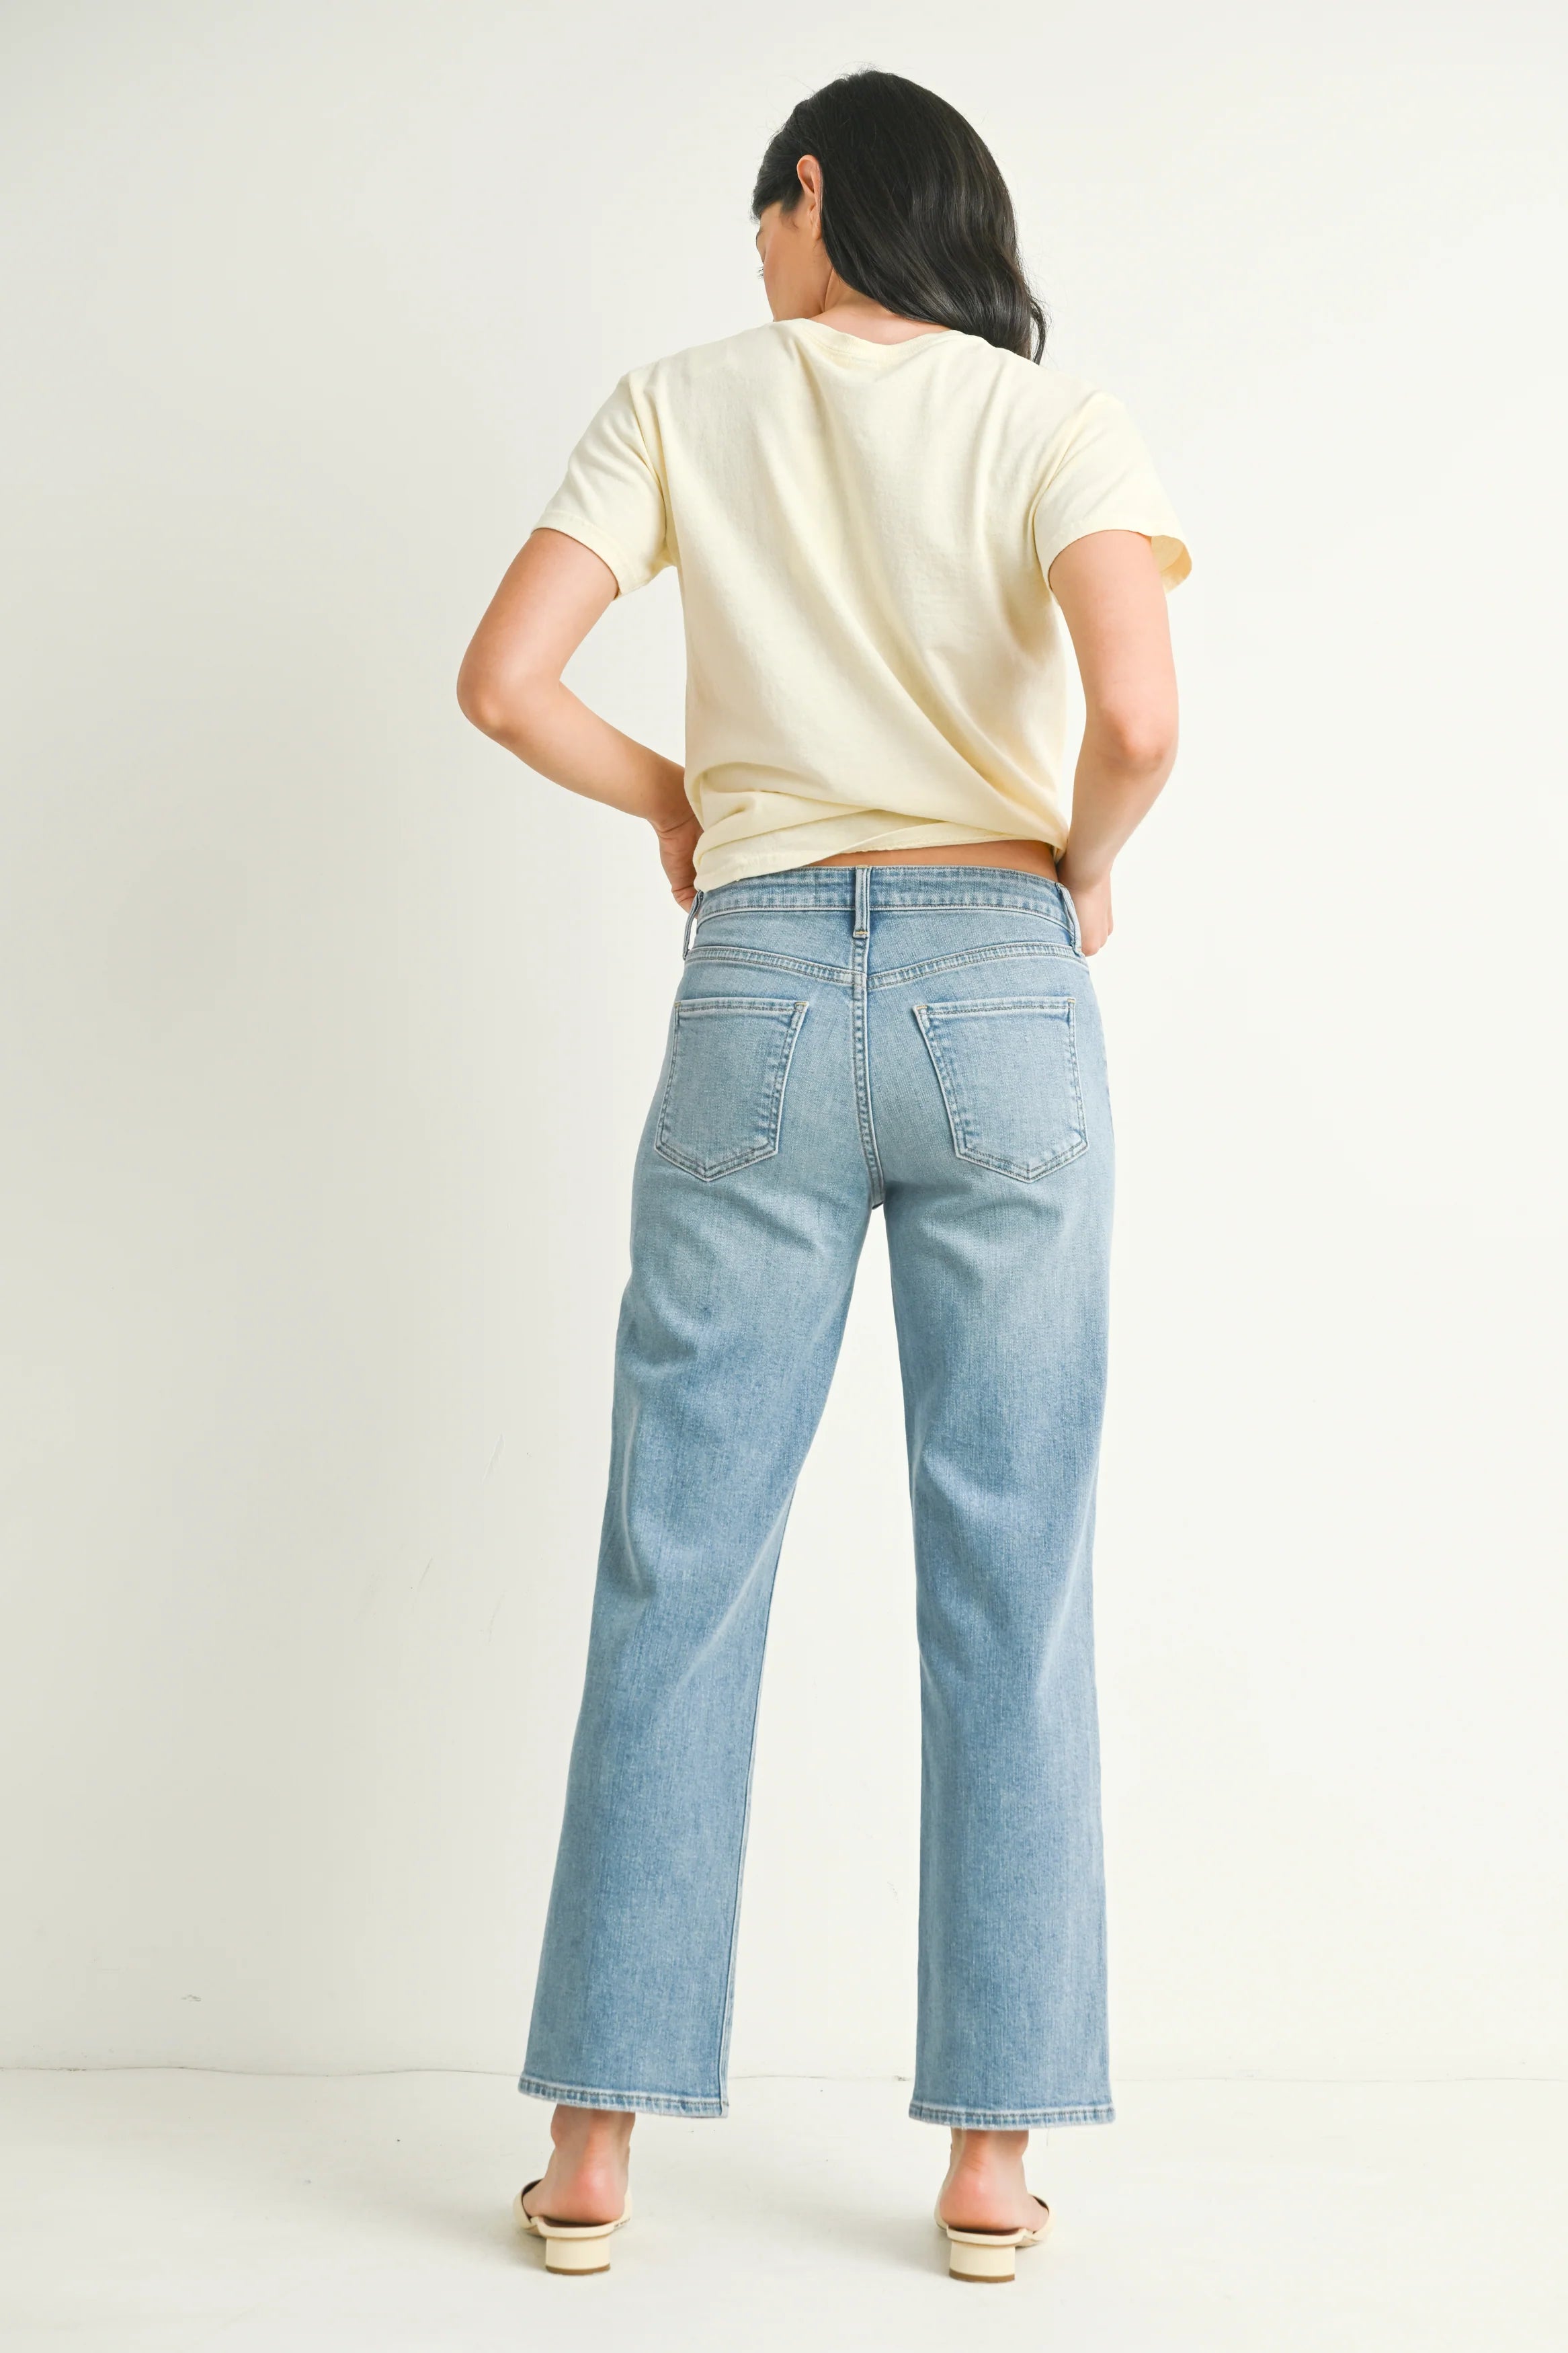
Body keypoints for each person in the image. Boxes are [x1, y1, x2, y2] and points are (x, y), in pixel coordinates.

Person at [458, 67, 1188, 2282]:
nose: (750, 257)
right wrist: (1063, 872)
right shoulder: (1055, 422)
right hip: (1000, 978)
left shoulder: (684, 398)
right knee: (1011, 1583)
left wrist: (683, 795)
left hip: (760, 979)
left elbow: (504, 682)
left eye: (757, 214)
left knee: (677, 1561)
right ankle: (988, 2160)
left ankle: (593, 2150)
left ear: (807, 198)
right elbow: (1142, 719)